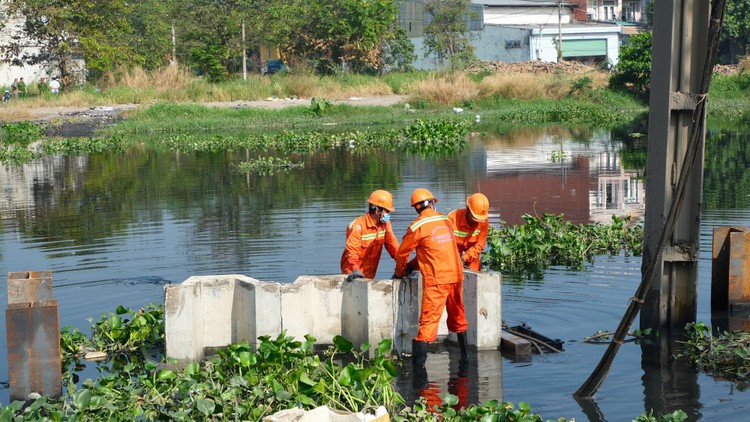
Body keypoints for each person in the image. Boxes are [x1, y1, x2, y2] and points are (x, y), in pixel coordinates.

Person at [394, 188, 469, 373]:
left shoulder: (417, 226)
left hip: (438, 280)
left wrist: (401, 271)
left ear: (416, 208)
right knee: (458, 318)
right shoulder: (445, 220)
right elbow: (435, 250)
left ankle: (419, 375)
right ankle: (467, 362)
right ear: (432, 203)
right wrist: (414, 265)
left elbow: (402, 253)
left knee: (427, 325)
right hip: (456, 275)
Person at [340, 189, 399, 282]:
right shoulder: (358, 226)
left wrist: (403, 265)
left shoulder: (385, 225)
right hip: (352, 274)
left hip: (369, 275)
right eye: (387, 211)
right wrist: (355, 270)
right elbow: (352, 252)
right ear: (377, 210)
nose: (388, 214)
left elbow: (394, 247)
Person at [447, 193, 490, 271]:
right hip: (454, 254)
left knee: (474, 275)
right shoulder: (452, 219)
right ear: (468, 210)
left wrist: (464, 257)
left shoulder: (484, 222)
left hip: (472, 254)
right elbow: (446, 244)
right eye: (474, 218)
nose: (477, 222)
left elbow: (480, 245)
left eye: (479, 219)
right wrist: (456, 258)